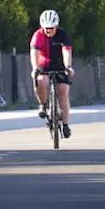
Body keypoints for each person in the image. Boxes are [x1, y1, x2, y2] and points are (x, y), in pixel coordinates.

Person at [30, 9, 74, 139]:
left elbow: (66, 51)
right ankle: (43, 104)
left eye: (51, 28)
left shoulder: (62, 35)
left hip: (60, 64)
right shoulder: (37, 35)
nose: (49, 31)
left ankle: (65, 124)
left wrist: (68, 67)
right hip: (44, 63)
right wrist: (35, 68)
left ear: (56, 26)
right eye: (46, 28)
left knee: (63, 90)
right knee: (41, 80)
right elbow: (34, 54)